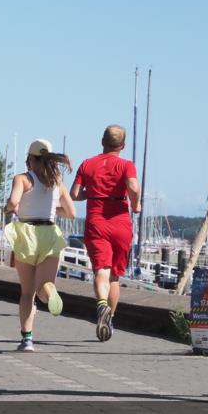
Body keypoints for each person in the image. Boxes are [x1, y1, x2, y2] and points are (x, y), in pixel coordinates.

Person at [3, 139, 76, 352]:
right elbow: (71, 213)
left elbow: (14, 202)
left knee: (27, 292)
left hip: (27, 234)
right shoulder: (57, 182)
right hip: (50, 234)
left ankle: (27, 340)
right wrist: (52, 210)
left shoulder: (22, 179)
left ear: (30, 159)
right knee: (44, 285)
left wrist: (10, 208)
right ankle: (50, 293)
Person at [70, 125, 141, 342]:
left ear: (102, 141)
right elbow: (134, 188)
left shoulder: (87, 164)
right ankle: (110, 319)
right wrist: (135, 205)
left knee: (101, 269)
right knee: (114, 277)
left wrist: (91, 193)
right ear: (123, 145)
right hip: (120, 222)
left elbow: (74, 194)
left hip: (96, 220)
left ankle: (101, 305)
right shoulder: (126, 165)